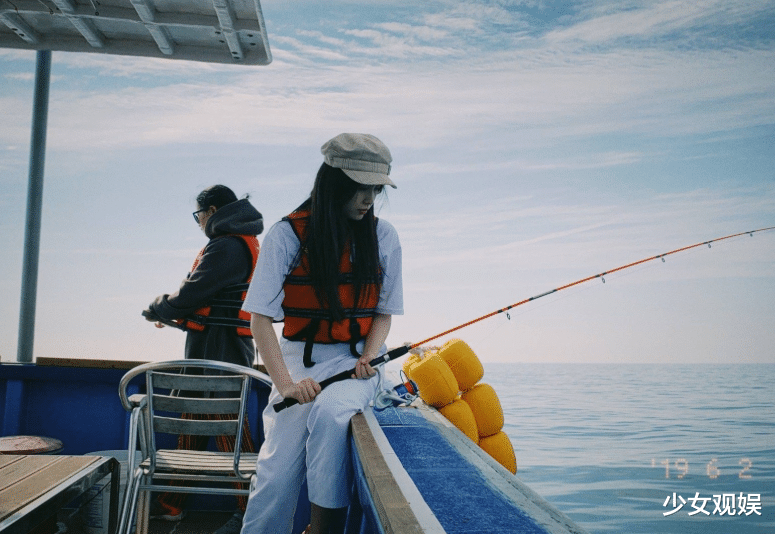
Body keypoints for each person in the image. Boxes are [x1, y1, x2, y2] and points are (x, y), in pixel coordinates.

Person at [240, 133, 403, 534]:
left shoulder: (385, 237)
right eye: (359, 187)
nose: (368, 199)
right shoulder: (286, 234)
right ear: (333, 184)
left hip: (355, 360)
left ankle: (323, 529)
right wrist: (287, 385)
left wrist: (369, 355)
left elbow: (383, 313)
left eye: (375, 189)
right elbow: (259, 320)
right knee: (276, 472)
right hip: (296, 360)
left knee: (332, 414)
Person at [144, 185, 264, 534]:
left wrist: (159, 306)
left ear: (211, 211)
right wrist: (173, 310)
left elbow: (195, 291)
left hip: (218, 348)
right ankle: (171, 506)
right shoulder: (242, 241)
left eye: (199, 216)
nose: (198, 222)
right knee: (193, 418)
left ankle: (249, 513)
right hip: (219, 344)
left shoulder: (226, 244)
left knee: (228, 426)